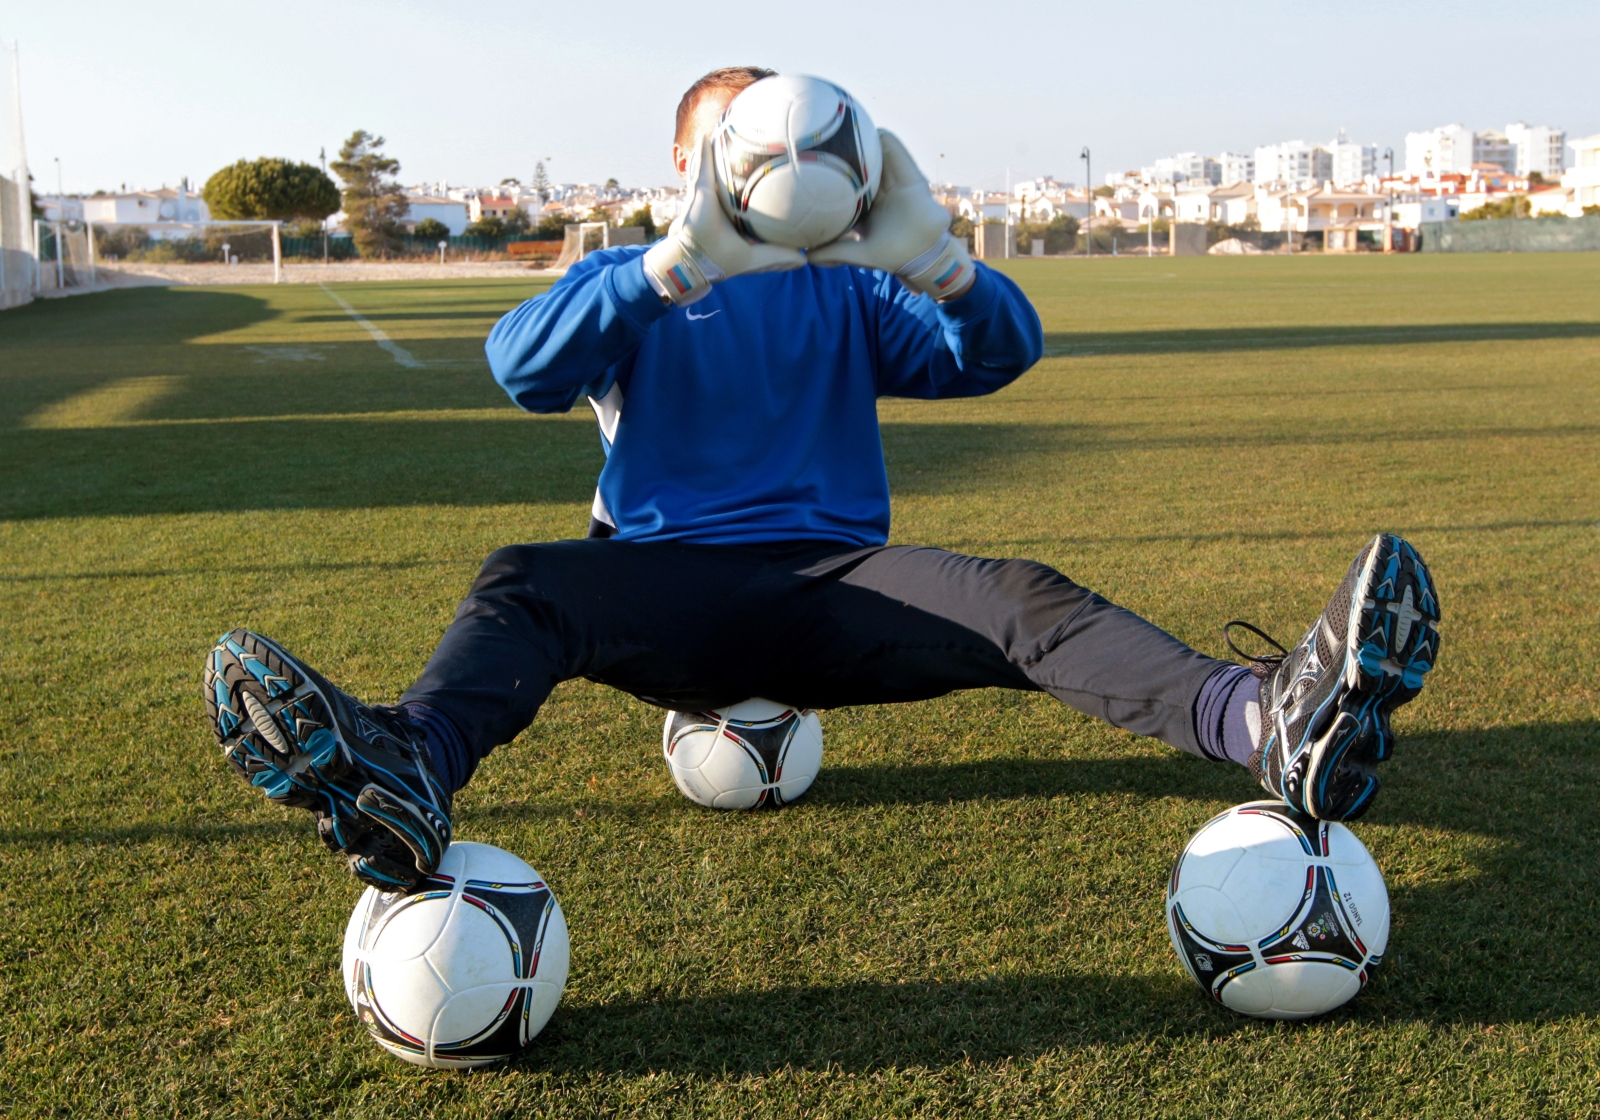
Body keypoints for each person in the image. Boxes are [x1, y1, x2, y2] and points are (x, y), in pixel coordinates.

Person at [204, 67, 1440, 892]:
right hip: (667, 589)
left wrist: (945, 265)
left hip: (842, 589)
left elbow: (995, 356)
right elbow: (518, 367)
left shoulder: (850, 287)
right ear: (685, 167)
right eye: (732, 153)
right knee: (524, 581)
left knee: (1022, 594)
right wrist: (672, 267)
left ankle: (1263, 722)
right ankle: (405, 767)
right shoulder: (641, 276)